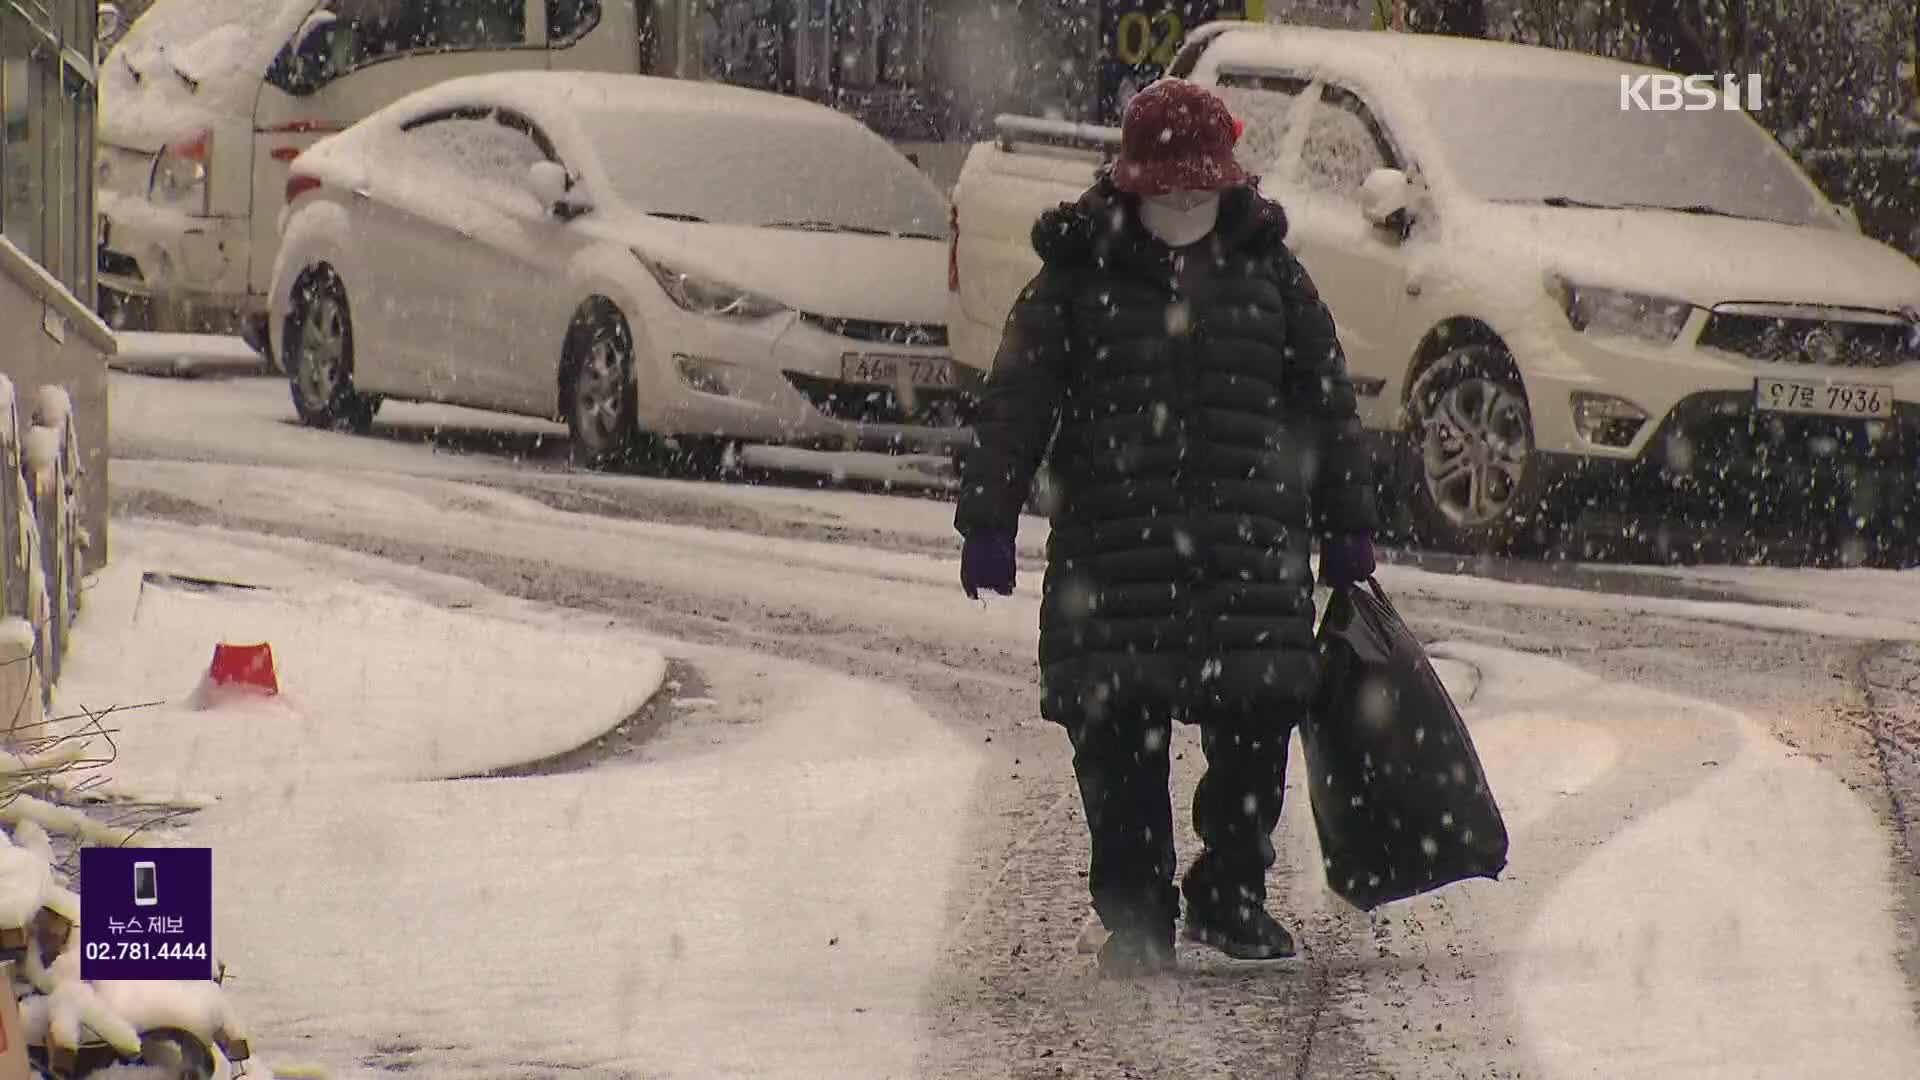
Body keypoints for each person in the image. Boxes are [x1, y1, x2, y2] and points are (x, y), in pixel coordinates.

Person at [954, 77, 1381, 975]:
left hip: (1249, 554)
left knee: (1256, 725)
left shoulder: (1274, 278)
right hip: (1115, 552)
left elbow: (1328, 407)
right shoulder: (1074, 279)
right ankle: (1138, 914)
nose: (1186, 205)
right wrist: (986, 518)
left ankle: (1231, 893)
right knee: (1115, 741)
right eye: (1170, 189)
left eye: (1202, 188)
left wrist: (1349, 522)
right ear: (1132, 180)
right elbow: (1016, 403)